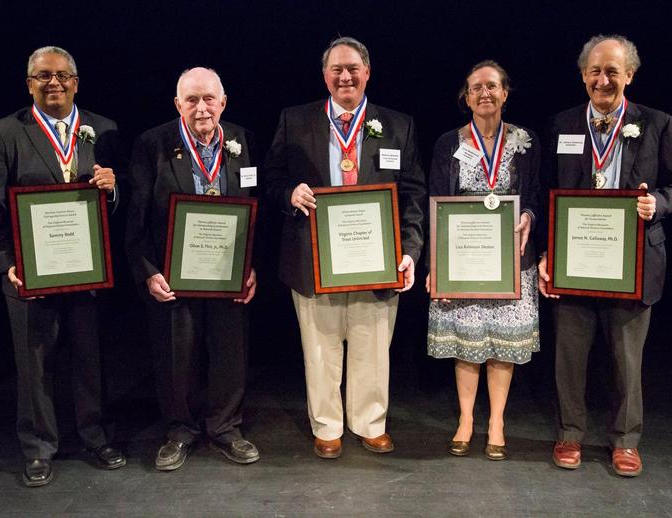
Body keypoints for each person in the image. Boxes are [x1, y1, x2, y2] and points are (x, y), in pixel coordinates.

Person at [264, 36, 426, 459]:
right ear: (325, 76)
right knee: (320, 348)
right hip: (312, 259)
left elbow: (412, 194)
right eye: (336, 69)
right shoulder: (294, 120)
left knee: (372, 346)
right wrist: (289, 194)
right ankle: (328, 425)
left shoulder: (398, 125)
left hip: (378, 260)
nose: (345, 76)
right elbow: (272, 178)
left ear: (367, 72)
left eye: (353, 68)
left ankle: (369, 422)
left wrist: (409, 250)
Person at [0, 46, 125, 487]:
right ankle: (39, 447)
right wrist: (6, 264)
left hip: (85, 270)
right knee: (34, 362)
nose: (54, 83)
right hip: (29, 275)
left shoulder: (102, 129)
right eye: (43, 76)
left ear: (76, 82)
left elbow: (119, 205)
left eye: (62, 75)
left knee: (88, 358)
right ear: (30, 84)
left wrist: (113, 189)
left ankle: (93, 435)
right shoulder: (5, 132)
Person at [539, 35, 672, 477]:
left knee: (627, 360)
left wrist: (659, 203)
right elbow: (546, 195)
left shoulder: (657, 124)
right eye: (595, 71)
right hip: (573, 262)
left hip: (632, 265)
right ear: (583, 75)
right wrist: (545, 252)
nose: (603, 80)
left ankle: (626, 441)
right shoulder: (561, 124)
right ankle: (570, 434)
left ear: (629, 75)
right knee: (570, 356)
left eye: (612, 71)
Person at [126, 67, 259, 471]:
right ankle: (179, 430)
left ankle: (225, 428)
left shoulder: (242, 140)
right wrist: (148, 271)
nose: (201, 108)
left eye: (208, 99)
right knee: (176, 354)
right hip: (174, 274)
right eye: (191, 100)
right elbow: (137, 218)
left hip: (227, 271)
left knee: (229, 351)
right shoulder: (153, 143)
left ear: (223, 102)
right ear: (177, 105)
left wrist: (251, 267)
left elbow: (255, 208)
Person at [426, 61, 540, 461]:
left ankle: (496, 422)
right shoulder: (447, 143)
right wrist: (435, 266)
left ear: (506, 93)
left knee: (502, 346)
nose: (485, 93)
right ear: (466, 96)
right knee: (467, 342)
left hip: (512, 261)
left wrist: (528, 216)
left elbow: (536, 195)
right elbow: (437, 201)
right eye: (476, 87)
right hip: (463, 261)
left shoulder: (525, 141)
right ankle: (466, 420)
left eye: (492, 86)